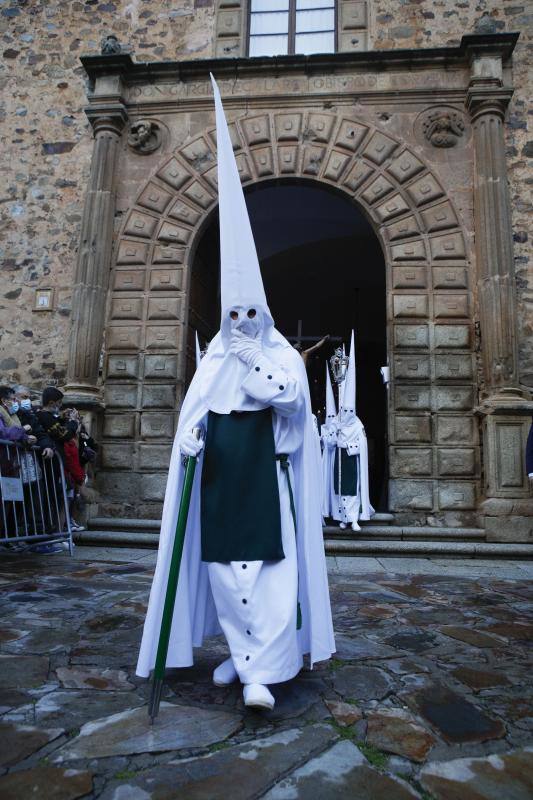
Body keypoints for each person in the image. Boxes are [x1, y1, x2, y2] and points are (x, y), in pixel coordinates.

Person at [136, 75, 335, 711]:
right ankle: (237, 656)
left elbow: (293, 407)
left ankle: (262, 670)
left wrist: (258, 364)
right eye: (235, 316)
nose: (243, 323)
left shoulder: (274, 355)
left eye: (253, 313)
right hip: (221, 475)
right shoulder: (212, 364)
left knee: (269, 577)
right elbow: (192, 418)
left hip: (264, 477)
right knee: (223, 573)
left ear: (266, 314)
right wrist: (189, 439)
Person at [330, 331, 373, 532]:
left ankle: (354, 518)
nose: (346, 412)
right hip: (338, 460)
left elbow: (362, 444)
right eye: (344, 410)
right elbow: (327, 440)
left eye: (349, 410)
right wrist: (333, 437)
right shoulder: (337, 421)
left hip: (351, 461)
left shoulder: (357, 424)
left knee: (351, 490)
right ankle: (341, 517)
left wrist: (347, 444)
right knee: (339, 488)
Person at [321, 362, 338, 519]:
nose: (331, 419)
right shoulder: (323, 428)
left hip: (335, 459)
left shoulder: (338, 427)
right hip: (325, 459)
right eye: (329, 417)